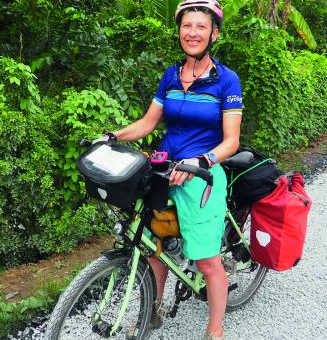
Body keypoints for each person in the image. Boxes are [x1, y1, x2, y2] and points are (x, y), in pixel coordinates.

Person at [96, 0, 243, 338]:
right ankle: (154, 309)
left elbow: (231, 142)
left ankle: (215, 330)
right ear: (179, 31)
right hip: (164, 168)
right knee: (150, 243)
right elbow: (148, 123)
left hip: (202, 173)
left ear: (214, 34)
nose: (192, 32)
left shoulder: (227, 81)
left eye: (201, 27)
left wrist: (199, 162)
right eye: (186, 26)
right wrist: (111, 136)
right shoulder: (171, 76)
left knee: (207, 261)